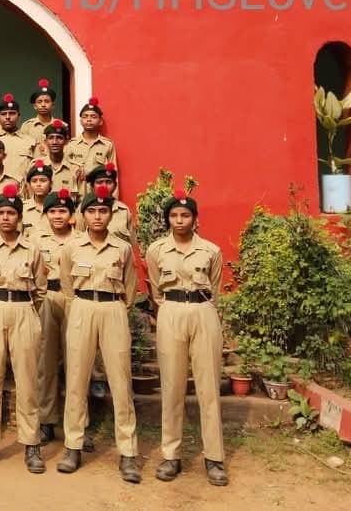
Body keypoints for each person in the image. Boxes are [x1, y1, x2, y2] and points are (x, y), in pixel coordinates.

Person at [57, 184, 140, 483]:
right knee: (77, 379)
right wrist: (79, 305)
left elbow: (131, 287)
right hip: (81, 307)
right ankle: (73, 446)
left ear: (110, 214)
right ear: (82, 216)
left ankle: (128, 453)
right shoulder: (71, 247)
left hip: (113, 308)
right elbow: (67, 284)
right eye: (91, 210)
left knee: (120, 381)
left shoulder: (123, 248)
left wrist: (116, 308)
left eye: (103, 211)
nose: (97, 216)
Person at [145, 190, 229, 487]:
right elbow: (156, 289)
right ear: (167, 219)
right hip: (170, 311)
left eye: (185, 215)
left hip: (203, 311)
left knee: (208, 388)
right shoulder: (156, 250)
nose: (179, 220)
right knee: (171, 386)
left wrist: (202, 308)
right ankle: (171, 455)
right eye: (174, 216)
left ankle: (214, 458)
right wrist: (168, 308)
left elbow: (216, 288)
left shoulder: (211, 251)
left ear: (195, 219)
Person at [0, 185, 47, 473]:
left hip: (23, 311)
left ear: (19, 218)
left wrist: (26, 311)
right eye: (1, 213)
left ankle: (31, 444)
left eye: (11, 213)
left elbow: (40, 290)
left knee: (27, 381)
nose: (6, 218)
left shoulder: (33, 248)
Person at [32, 188, 77, 444]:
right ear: (45, 214)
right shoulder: (36, 240)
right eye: (53, 211)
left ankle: (77, 423)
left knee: (76, 363)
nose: (58, 216)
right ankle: (46, 420)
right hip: (46, 298)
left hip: (75, 301)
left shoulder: (81, 239)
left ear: (71, 214)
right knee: (45, 363)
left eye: (62, 211)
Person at [64, 98, 117, 196]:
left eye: (93, 116)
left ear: (100, 121)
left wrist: (113, 199)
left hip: (98, 195)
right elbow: (64, 171)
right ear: (80, 121)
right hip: (76, 194)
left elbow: (113, 174)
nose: (89, 119)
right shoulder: (71, 144)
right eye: (85, 116)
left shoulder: (107, 145)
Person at [75, 163, 134, 245]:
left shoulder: (124, 211)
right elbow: (78, 239)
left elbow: (131, 244)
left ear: (115, 186)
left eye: (108, 182)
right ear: (92, 186)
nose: (104, 186)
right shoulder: (83, 208)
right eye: (99, 182)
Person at [42, 119, 79, 195]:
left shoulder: (76, 169)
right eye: (51, 138)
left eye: (59, 138)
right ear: (45, 141)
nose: (55, 142)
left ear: (66, 141)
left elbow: (82, 201)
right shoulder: (35, 166)